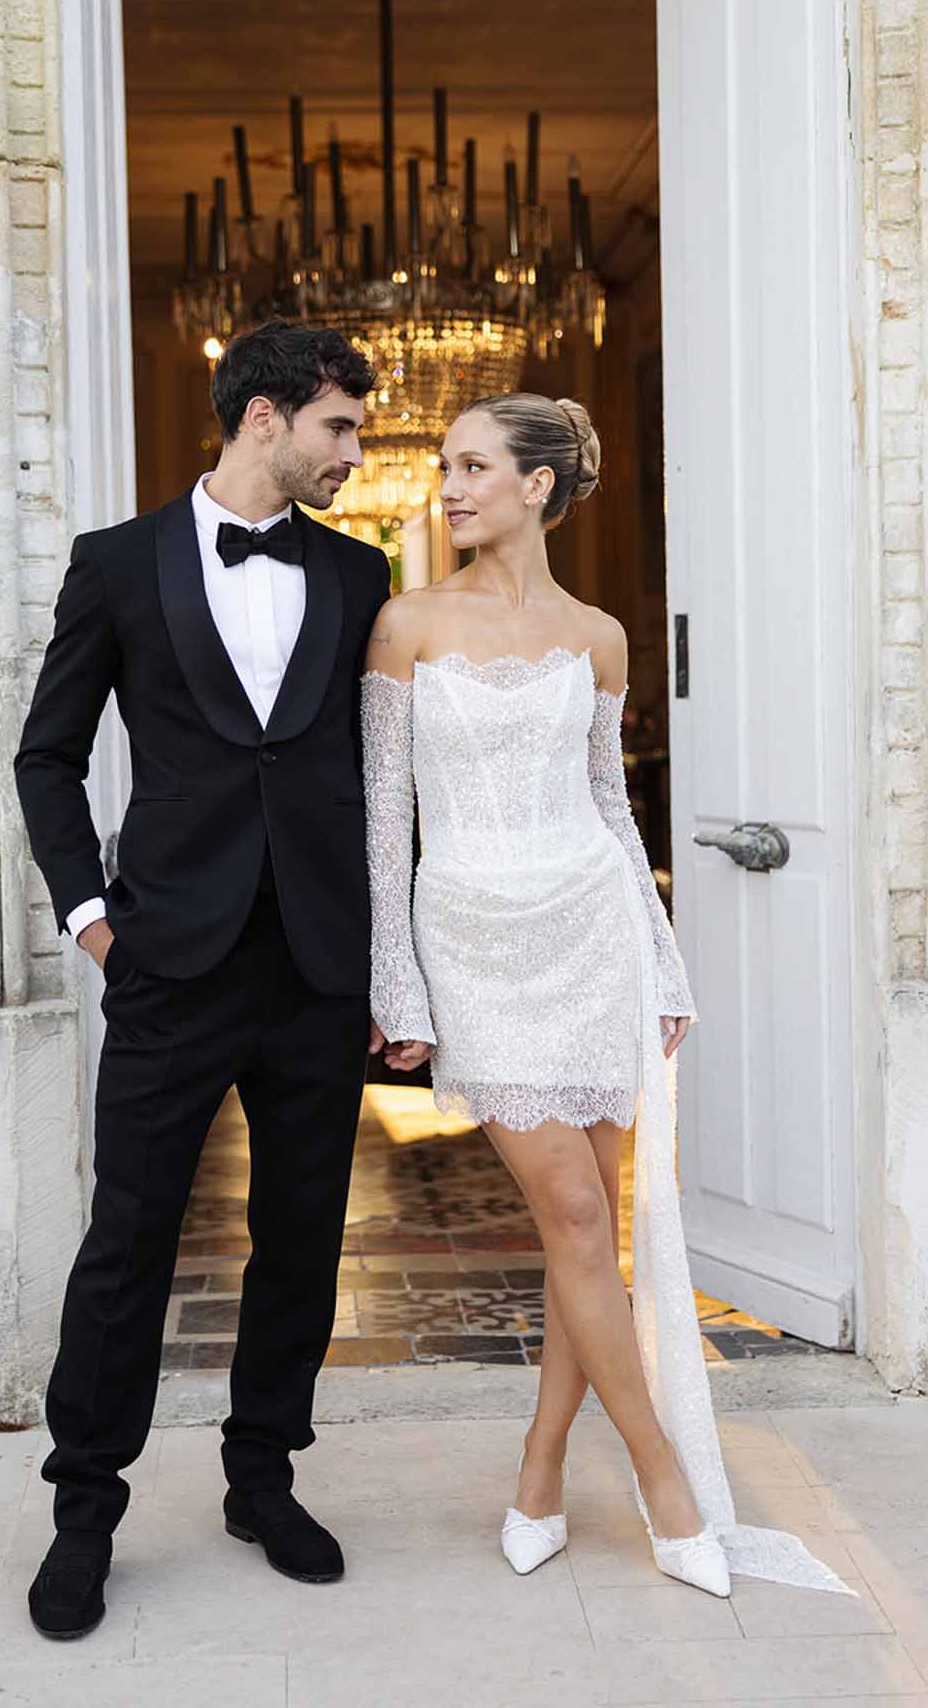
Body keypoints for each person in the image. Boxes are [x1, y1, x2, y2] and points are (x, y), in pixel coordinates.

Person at [363, 392, 855, 1597]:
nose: (450, 483)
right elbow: (383, 821)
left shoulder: (597, 636)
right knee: (576, 1215)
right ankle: (664, 1472)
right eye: (446, 465)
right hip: (472, 938)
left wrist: (663, 950)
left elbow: (606, 803)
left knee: (578, 1224)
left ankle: (539, 1468)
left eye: (474, 464)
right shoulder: (404, 623)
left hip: (591, 932)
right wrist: (394, 974)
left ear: (537, 485)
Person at [14, 319, 391, 1639]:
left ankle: (261, 1479)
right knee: (129, 1242)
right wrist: (92, 921)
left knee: (300, 1239)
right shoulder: (116, 567)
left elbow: (379, 780)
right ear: (266, 417)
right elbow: (47, 756)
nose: (355, 449)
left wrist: (389, 973)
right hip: (169, 964)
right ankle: (82, 1516)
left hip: (315, 972)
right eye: (340, 425)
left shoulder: (360, 575)